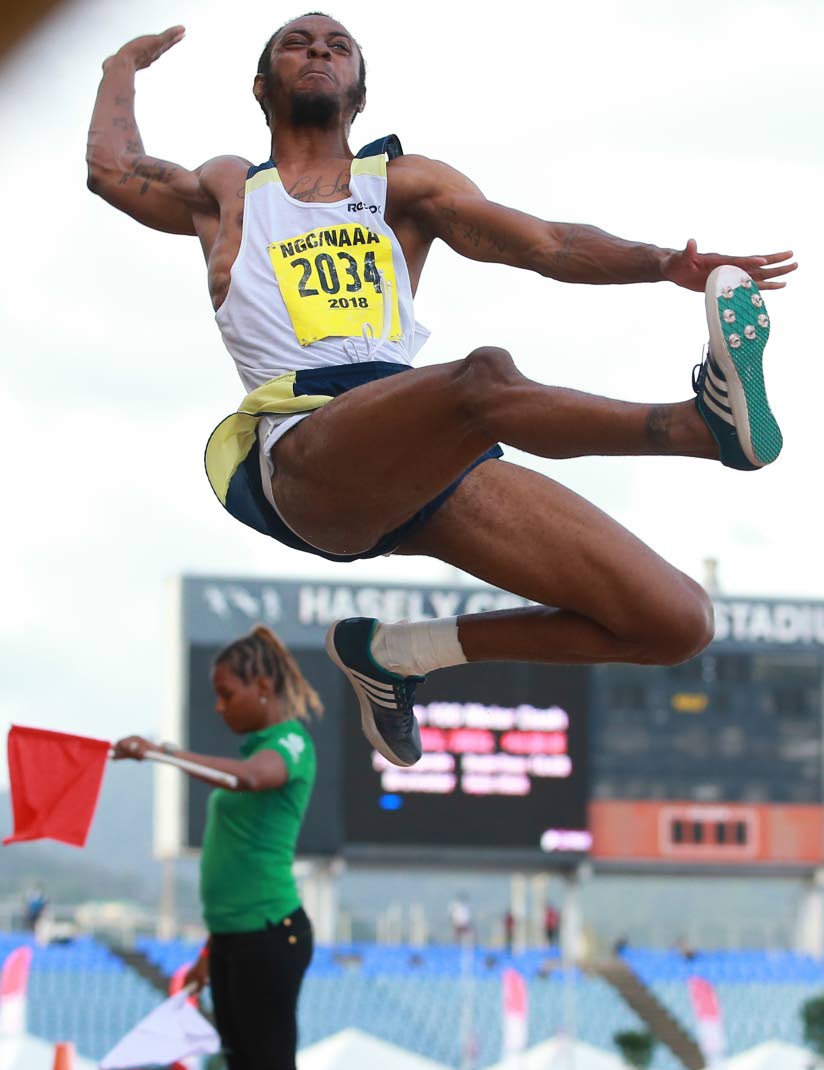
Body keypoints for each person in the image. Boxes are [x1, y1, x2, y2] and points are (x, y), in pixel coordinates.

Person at [87, 16, 797, 770]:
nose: (320, 50)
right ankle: (697, 426)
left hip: (418, 447)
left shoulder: (402, 186)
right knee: (482, 380)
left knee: (676, 622)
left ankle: (396, 655)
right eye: (298, 43)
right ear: (261, 88)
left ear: (359, 94)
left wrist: (660, 262)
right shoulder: (223, 193)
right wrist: (118, 67)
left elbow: (545, 243)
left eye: (338, 45)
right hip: (304, 449)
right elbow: (112, 167)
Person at [113, 624, 322, 1070]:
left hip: (270, 936)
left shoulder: (290, 745)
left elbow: (251, 779)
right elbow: (235, 857)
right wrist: (211, 950)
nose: (220, 705)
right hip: (232, 942)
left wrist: (163, 752)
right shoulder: (254, 751)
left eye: (227, 693)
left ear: (262, 685)